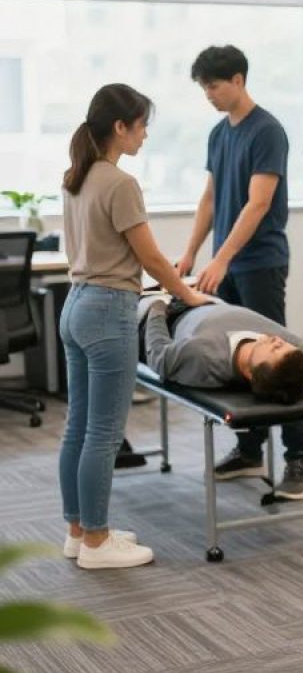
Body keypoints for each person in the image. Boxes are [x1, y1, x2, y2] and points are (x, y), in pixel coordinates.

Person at [59, 83, 208, 570]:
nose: (145, 135)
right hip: (107, 310)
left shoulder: (76, 177)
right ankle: (99, 544)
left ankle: (80, 531)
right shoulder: (120, 184)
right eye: (141, 125)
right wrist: (188, 295)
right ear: (120, 127)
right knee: (103, 432)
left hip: (76, 305)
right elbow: (150, 258)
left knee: (78, 428)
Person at [176, 45, 303, 499]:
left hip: (261, 263)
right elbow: (211, 199)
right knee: (239, 359)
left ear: (238, 80)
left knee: (279, 357)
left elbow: (258, 203)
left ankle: (299, 460)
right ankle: (250, 449)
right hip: (229, 263)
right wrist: (193, 253)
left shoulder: (267, 131)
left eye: (214, 86)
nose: (209, 95)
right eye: (204, 88)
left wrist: (223, 258)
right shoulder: (219, 134)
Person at [138, 295, 303, 409]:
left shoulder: (204, 355)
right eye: (282, 344)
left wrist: (158, 306)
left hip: (168, 314)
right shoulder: (297, 351)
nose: (278, 340)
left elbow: (159, 356)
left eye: (275, 349)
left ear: (250, 373)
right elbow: (302, 350)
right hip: (204, 298)